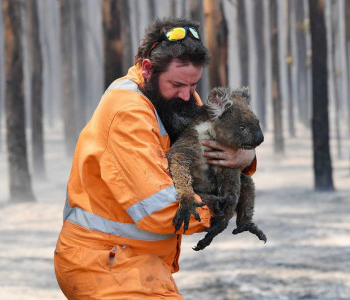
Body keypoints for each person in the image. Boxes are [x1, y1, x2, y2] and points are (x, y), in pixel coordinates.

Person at [54, 18, 257, 299]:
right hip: (105, 264)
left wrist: (246, 156)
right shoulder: (127, 113)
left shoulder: (176, 97)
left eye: (194, 84)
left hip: (139, 262)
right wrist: (220, 208)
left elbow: (216, 148)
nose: (188, 95)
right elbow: (159, 209)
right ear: (148, 69)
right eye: (178, 84)